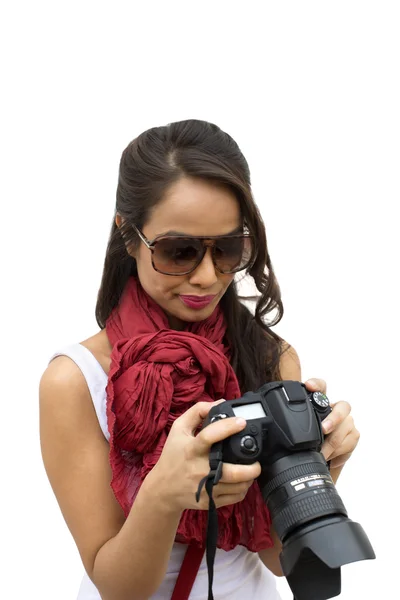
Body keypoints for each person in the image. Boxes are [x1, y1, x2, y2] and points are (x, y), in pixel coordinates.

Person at [39, 119, 360, 600]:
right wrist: (164, 494)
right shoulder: (76, 380)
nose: (207, 276)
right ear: (129, 236)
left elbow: (277, 560)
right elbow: (118, 588)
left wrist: (323, 469)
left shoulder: (271, 359)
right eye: (179, 250)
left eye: (228, 248)